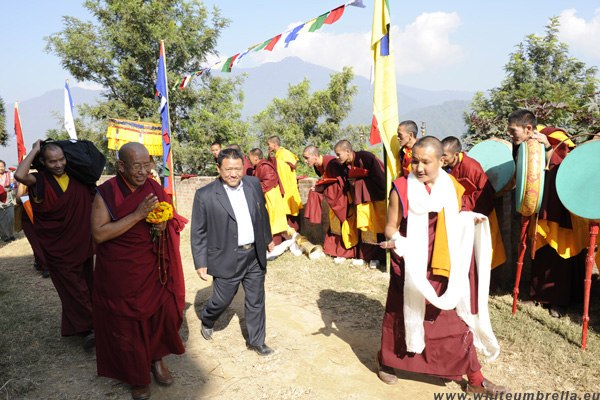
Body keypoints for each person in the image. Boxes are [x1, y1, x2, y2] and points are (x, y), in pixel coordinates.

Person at [377, 136, 506, 395]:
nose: (419, 168)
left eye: (426, 162)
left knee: (454, 319)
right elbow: (390, 226)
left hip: (442, 264)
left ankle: (475, 378)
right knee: (399, 313)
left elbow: (456, 218)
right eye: (415, 161)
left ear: (441, 161)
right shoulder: (401, 188)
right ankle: (386, 361)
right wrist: (395, 240)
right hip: (411, 261)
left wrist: (470, 221)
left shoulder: (451, 187)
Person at [91, 142, 186, 400]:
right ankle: (137, 376)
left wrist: (163, 222)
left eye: (148, 164)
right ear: (121, 166)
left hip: (153, 266)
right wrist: (137, 215)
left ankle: (157, 360)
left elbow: (168, 217)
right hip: (121, 272)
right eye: (137, 166)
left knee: (159, 315)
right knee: (127, 325)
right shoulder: (106, 193)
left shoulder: (154, 188)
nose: (144, 171)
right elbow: (99, 233)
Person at [191, 148, 275, 356]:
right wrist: (200, 262)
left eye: (238, 169)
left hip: (254, 254)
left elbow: (261, 212)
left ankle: (257, 341)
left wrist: (267, 238)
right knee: (222, 299)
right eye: (228, 169)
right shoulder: (205, 195)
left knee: (256, 299)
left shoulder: (253, 184)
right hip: (227, 256)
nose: (234, 174)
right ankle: (208, 317)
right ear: (218, 168)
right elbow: (199, 231)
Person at [14, 140, 95, 347]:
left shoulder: (78, 178)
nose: (58, 165)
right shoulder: (39, 180)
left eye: (61, 160)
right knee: (74, 288)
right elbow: (19, 176)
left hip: (81, 241)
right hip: (58, 247)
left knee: (86, 283)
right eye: (52, 162)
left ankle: (82, 327)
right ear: (43, 162)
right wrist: (34, 150)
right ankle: (90, 328)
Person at [507, 109, 587, 317]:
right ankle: (539, 296)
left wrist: (549, 146)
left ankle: (559, 302)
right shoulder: (523, 144)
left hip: (560, 207)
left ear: (528, 128)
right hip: (540, 206)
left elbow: (570, 165)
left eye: (513, 131)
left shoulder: (554, 135)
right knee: (541, 252)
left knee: (560, 252)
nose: (511, 135)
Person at [441, 136, 506, 269]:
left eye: (445, 155)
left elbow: (485, 195)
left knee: (483, 251)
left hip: (478, 213)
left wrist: (461, 204)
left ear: (456, 154)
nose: (441, 158)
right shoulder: (443, 167)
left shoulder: (471, 167)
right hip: (458, 215)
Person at [334, 140, 386, 268]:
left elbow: (380, 177)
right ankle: (364, 256)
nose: (337, 157)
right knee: (363, 227)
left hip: (374, 199)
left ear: (347, 152)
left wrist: (359, 182)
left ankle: (377, 258)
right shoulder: (347, 164)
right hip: (361, 199)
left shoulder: (366, 157)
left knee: (374, 227)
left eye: (338, 154)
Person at [302, 145, 358, 262]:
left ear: (315, 156)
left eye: (307, 158)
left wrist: (321, 188)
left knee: (343, 224)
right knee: (333, 226)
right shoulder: (319, 166)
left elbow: (341, 184)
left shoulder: (331, 163)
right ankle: (332, 250)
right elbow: (327, 181)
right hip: (334, 199)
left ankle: (345, 253)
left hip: (342, 198)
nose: (305, 161)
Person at [247, 148, 289, 243]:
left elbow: (269, 181)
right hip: (267, 195)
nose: (250, 161)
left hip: (272, 195)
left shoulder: (265, 166)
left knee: (274, 221)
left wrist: (255, 189)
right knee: (269, 220)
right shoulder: (259, 166)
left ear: (256, 157)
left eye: (250, 158)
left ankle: (276, 245)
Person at [266, 136, 303, 231]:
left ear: (274, 144)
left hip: (288, 188)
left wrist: (276, 162)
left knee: (290, 215)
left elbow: (293, 165)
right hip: (282, 188)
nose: (268, 147)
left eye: (268, 144)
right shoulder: (278, 155)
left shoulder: (284, 153)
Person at [0, 160, 16, 242]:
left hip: (9, 197)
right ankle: (5, 236)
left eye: (2, 166)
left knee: (11, 218)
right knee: (2, 219)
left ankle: (11, 234)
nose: (1, 168)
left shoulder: (9, 174)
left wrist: (12, 184)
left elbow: (13, 186)